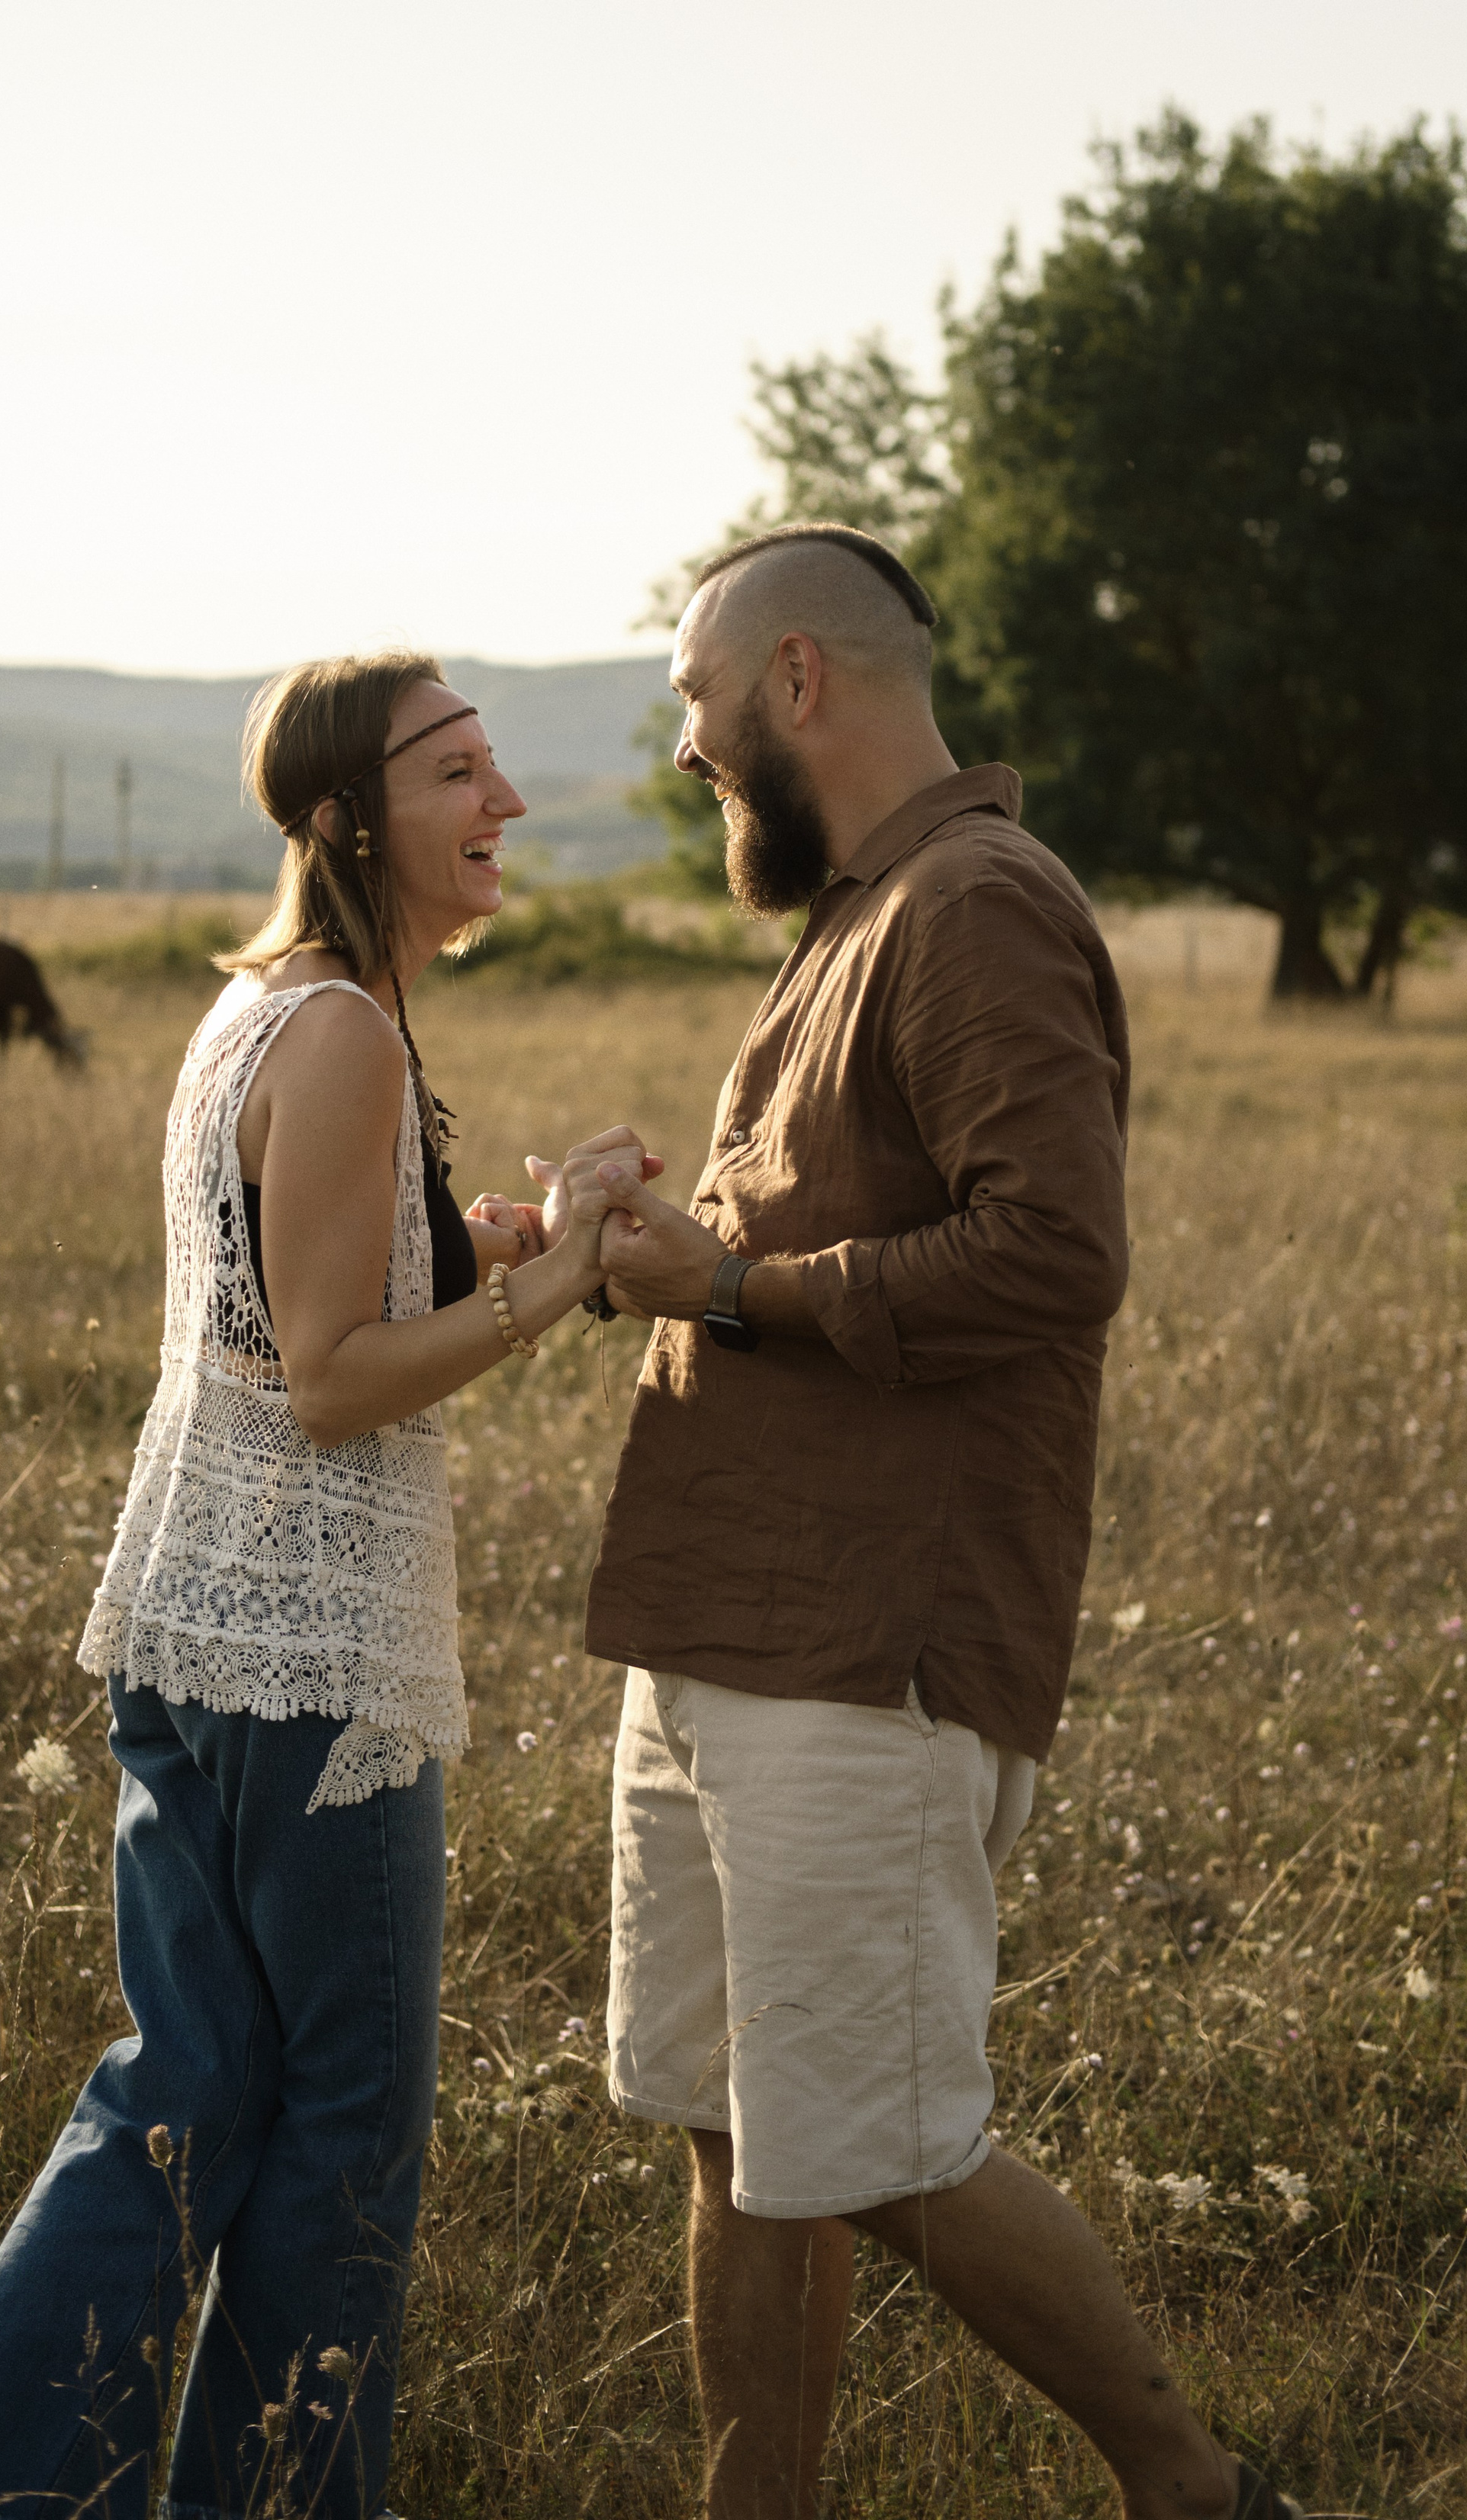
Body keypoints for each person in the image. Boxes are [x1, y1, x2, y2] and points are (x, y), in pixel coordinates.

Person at [0, 651, 649, 2520]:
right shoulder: (345, 1026)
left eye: (495, 762)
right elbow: (332, 1378)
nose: (504, 798)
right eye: (458, 771)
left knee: (179, 2095)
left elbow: (293, 1292)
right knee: (342, 2133)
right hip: (311, 1659)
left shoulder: (260, 1008)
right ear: (350, 815)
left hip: (192, 1620)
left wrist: (491, 1236)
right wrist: (560, 1274)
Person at [562, 527, 1301, 2520]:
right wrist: (683, 1244)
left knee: (878, 2142)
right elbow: (839, 1228)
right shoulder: (857, 913)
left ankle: (1197, 2489)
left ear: (801, 680)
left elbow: (1056, 1254)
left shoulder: (975, 903)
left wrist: (725, 1288)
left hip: (868, 1645)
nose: (691, 741)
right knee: (736, 2132)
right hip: (725, 1620)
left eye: (701, 701)